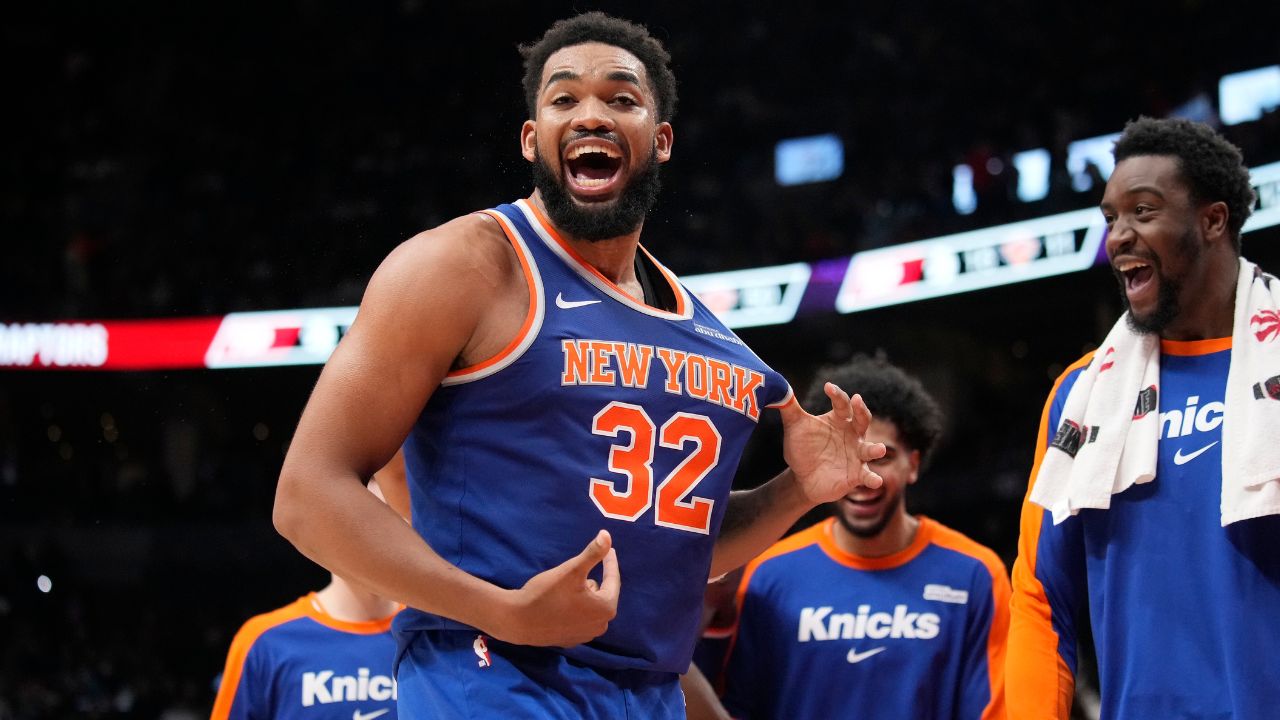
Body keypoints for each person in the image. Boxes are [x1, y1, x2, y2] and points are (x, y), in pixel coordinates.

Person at [272, 12, 886, 719]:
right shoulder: (466, 265)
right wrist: (500, 611)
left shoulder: (708, 337)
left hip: (646, 696)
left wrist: (797, 491)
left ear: (660, 142)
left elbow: (685, 547)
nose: (591, 114)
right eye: (565, 99)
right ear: (533, 140)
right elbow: (307, 495)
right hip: (491, 679)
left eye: (621, 98)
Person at [1007, 117, 1280, 719]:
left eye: (1143, 212)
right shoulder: (1079, 394)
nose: (1119, 236)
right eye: (1111, 218)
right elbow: (1040, 596)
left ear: (1213, 220)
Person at [708, 356, 1009, 720]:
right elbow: (736, 706)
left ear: (913, 465)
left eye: (881, 457)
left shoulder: (974, 573)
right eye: (845, 456)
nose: (860, 477)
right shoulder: (768, 573)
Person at [212, 476, 404, 720]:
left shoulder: (428, 634)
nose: (379, 542)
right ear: (327, 530)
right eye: (364, 523)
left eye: (392, 523)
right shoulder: (265, 642)